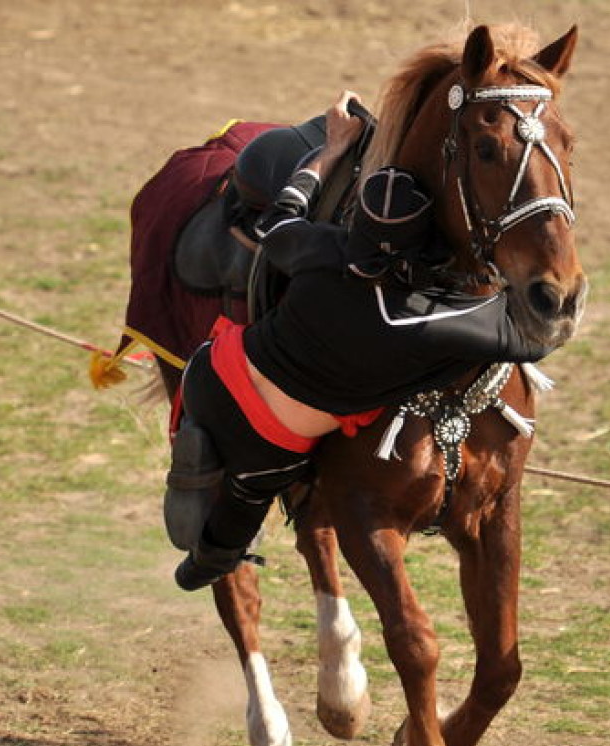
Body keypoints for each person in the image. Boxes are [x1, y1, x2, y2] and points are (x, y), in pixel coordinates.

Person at [165, 91, 558, 591]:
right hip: (269, 431)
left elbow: (279, 219)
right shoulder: (419, 320)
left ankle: (206, 542)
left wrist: (330, 151)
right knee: (247, 499)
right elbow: (534, 338)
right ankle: (202, 563)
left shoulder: (319, 248)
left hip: (212, 368)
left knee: (236, 505)